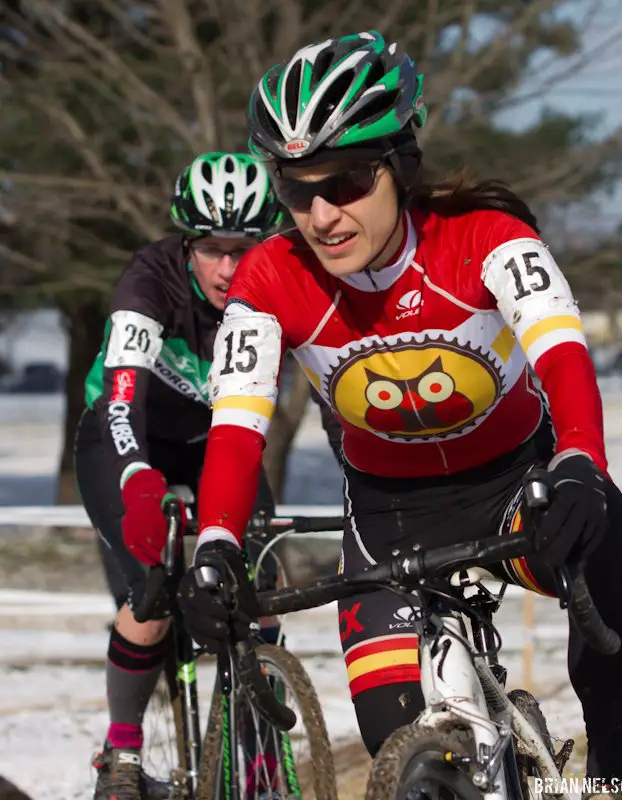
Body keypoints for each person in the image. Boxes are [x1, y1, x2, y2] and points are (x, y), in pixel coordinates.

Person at [177, 32, 622, 800]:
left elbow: (564, 357)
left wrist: (579, 465)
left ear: (401, 168)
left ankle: (614, 782)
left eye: (347, 183)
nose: (323, 214)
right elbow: (238, 425)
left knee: (608, 546)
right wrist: (217, 544)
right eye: (299, 191)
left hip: (513, 492)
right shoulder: (269, 280)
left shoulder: (486, 241)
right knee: (407, 763)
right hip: (388, 517)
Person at [76, 151, 342, 800]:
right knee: (153, 596)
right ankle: (124, 753)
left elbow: (333, 389)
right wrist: (139, 479)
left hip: (221, 440)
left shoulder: (285, 277)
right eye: (214, 250)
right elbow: (121, 399)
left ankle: (257, 756)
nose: (229, 268)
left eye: (244, 248)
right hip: (127, 439)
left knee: (261, 589)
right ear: (187, 244)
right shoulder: (151, 281)